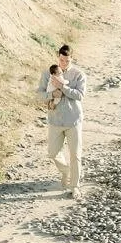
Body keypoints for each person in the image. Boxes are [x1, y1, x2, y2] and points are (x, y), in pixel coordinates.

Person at [36, 43, 86, 194]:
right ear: (58, 57)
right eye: (61, 60)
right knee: (52, 152)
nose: (63, 64)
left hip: (73, 120)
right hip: (55, 120)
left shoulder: (79, 75)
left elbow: (80, 95)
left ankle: (74, 186)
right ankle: (66, 171)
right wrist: (52, 95)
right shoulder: (48, 73)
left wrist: (63, 88)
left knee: (75, 154)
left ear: (72, 59)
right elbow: (39, 94)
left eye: (67, 61)